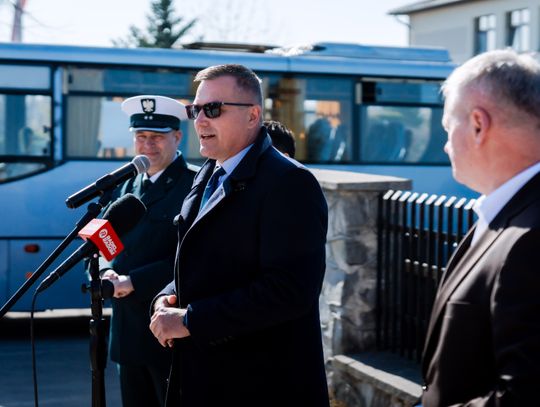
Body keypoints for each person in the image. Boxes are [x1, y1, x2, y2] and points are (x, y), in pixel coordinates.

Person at [149, 64, 330, 407]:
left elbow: (290, 290)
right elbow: (197, 262)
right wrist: (166, 298)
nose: (200, 121)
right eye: (195, 110)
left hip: (261, 386)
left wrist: (190, 319)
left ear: (253, 115)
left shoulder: (289, 182)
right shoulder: (208, 172)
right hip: (202, 378)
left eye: (213, 109)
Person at [420, 49, 540, 406]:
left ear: (477, 125)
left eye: (447, 128)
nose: (445, 145)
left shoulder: (531, 237)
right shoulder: (506, 213)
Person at [100, 95, 196, 407]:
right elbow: (104, 240)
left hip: (167, 330)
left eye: (157, 136)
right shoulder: (125, 185)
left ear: (177, 137)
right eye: (141, 136)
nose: (147, 144)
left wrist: (134, 282)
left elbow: (192, 257)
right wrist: (106, 271)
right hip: (127, 331)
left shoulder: (194, 185)